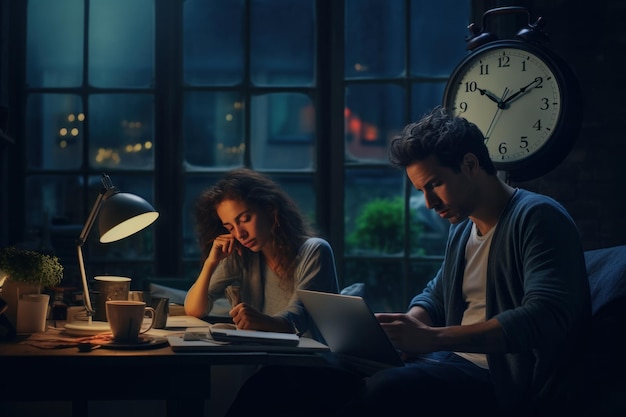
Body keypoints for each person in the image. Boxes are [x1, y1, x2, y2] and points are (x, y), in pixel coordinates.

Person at [223, 106, 592, 417]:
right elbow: (435, 295)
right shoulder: (464, 230)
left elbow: (544, 317)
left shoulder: (537, 217)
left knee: (384, 391)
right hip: (445, 361)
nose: (429, 202)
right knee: (282, 379)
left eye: (435, 185)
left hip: (499, 379)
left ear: (469, 164)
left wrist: (431, 339)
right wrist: (406, 328)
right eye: (421, 191)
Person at [184, 168, 339, 342]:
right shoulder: (241, 254)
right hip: (267, 358)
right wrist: (210, 263)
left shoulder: (314, 250)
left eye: (244, 219)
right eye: (230, 227)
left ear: (270, 210)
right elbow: (194, 309)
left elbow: (298, 318)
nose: (239, 234)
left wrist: (261, 320)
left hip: (311, 361)